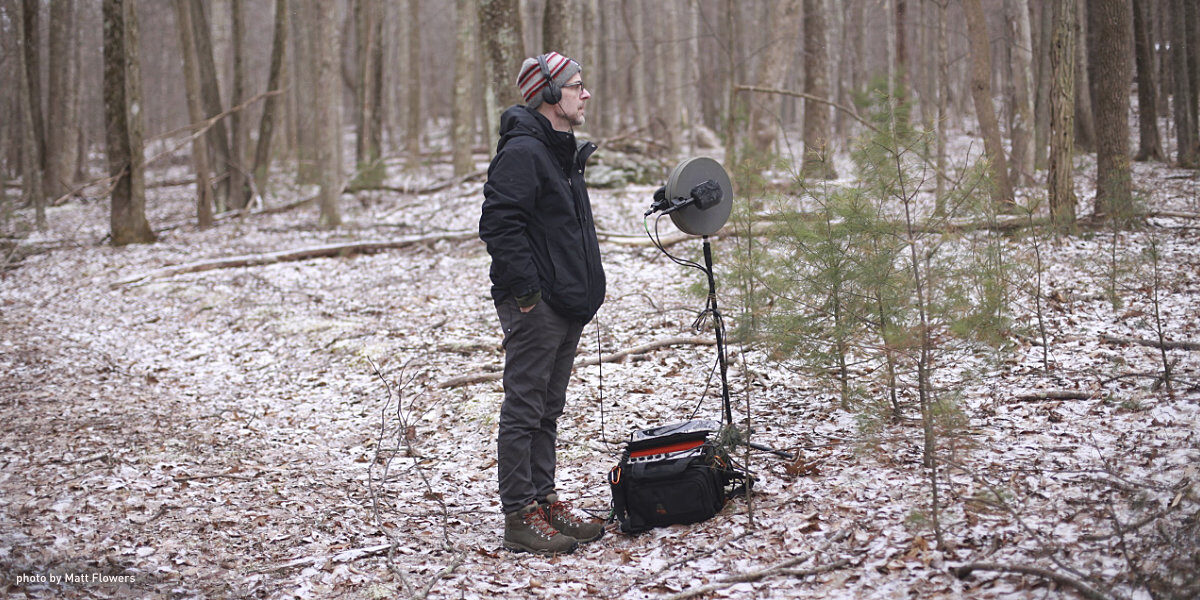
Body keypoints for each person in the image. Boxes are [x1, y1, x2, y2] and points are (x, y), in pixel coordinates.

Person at [478, 51, 606, 555]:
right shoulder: (524, 151)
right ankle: (519, 515)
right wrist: (528, 293)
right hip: (537, 303)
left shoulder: (558, 149)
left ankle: (544, 500)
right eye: (576, 85)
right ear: (551, 93)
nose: (585, 93)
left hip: (566, 300)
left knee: (547, 410)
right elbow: (498, 224)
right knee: (525, 410)